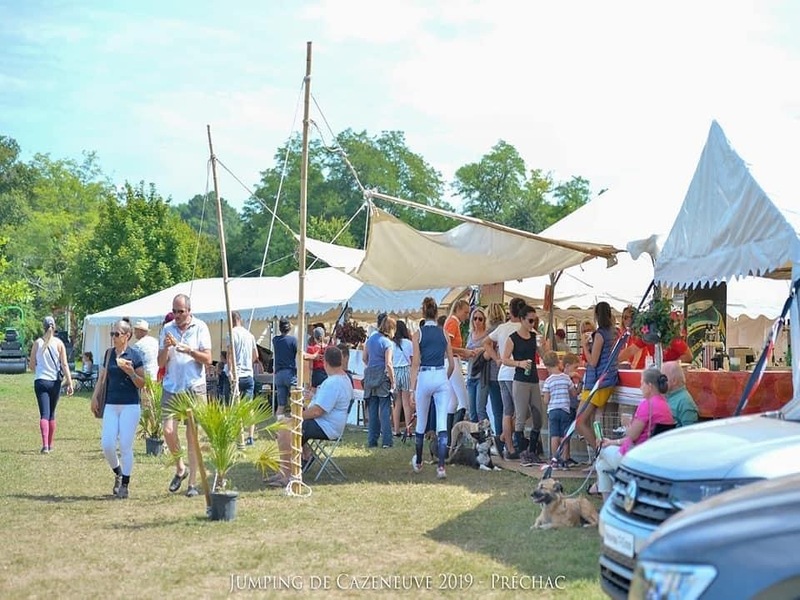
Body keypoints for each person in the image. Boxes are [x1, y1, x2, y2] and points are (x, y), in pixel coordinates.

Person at [266, 346, 353, 487]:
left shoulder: (333, 382)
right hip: (329, 424)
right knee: (288, 424)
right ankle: (299, 461)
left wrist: (295, 416)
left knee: (284, 427)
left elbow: (317, 411)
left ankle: (286, 474)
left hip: (325, 426)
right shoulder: (343, 379)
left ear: (325, 362)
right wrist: (313, 398)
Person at [158, 294, 213, 498]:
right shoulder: (166, 329)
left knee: (192, 436)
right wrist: (166, 347)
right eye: (175, 311)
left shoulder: (201, 327)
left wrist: (189, 350)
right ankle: (181, 468)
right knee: (168, 430)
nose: (178, 315)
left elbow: (208, 359)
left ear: (189, 311)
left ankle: (192, 484)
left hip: (194, 386)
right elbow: (161, 363)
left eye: (181, 311)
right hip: (172, 386)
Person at [592, 368, 675, 501]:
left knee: (600, 449)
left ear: (649, 386)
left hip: (633, 458)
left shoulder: (646, 405)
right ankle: (608, 500)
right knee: (602, 465)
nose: (640, 387)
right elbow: (641, 436)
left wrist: (626, 424)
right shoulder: (665, 405)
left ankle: (606, 498)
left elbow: (633, 435)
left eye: (642, 383)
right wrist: (613, 442)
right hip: (652, 456)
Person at [91, 319, 145, 499]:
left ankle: (125, 484)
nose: (113, 337)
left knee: (125, 446)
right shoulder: (108, 354)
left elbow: (142, 383)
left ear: (127, 336)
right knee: (107, 444)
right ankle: (118, 472)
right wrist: (95, 396)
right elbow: (102, 377)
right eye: (112, 334)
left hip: (130, 404)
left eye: (117, 334)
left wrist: (130, 372)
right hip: (111, 404)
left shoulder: (135, 355)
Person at [410, 297, 455, 479]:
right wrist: (445, 378)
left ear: (423, 312)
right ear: (437, 314)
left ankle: (419, 461)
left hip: (425, 375)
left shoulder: (417, 334)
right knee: (442, 423)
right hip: (440, 374)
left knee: (421, 421)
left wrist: (412, 389)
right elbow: (451, 363)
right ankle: (441, 467)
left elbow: (415, 363)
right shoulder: (444, 333)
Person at [501, 304, 544, 465]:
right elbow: (504, 359)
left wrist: (543, 347)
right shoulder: (513, 338)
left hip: (533, 379)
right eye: (530, 320)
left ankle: (532, 451)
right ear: (522, 320)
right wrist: (519, 363)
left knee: (538, 415)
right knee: (520, 417)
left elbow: (544, 357)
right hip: (520, 380)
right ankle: (522, 453)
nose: (533, 324)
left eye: (535, 321)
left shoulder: (535, 337)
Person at [484, 297, 526, 458]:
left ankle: (507, 444)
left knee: (507, 412)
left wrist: (497, 359)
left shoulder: (502, 328)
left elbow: (486, 342)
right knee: (523, 411)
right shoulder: (524, 328)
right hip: (517, 373)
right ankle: (507, 438)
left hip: (503, 373)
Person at [576, 302, 619, 450]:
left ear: (596, 315)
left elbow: (593, 362)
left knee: (580, 420)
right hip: (608, 379)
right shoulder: (613, 332)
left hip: (597, 382)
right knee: (597, 420)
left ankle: (600, 453)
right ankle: (599, 455)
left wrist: (583, 345)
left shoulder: (600, 335)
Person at [29, 316, 74, 453]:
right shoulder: (59, 343)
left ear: (43, 327)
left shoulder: (37, 343)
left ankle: (45, 446)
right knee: (52, 414)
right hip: (55, 382)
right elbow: (64, 364)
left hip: (41, 381)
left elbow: (31, 366)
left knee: (44, 413)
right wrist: (70, 382)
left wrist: (39, 368)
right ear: (54, 327)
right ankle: (50, 444)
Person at [363, 316, 396, 448]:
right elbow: (388, 363)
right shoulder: (387, 343)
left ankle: (372, 440)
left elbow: (364, 358)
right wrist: (393, 381)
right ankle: (387, 441)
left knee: (372, 410)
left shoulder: (371, 339)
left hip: (370, 375)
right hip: (382, 376)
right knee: (384, 409)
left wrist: (371, 367)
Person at [228, 310, 259, 444]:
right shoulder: (250, 335)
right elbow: (256, 355)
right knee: (249, 407)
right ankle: (250, 437)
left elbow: (230, 354)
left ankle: (238, 435)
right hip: (248, 374)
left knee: (236, 405)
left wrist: (230, 370)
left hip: (237, 375)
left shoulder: (231, 334)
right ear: (240, 319)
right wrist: (249, 364)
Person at [443, 299, 473, 429]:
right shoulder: (453, 323)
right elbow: (446, 346)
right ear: (458, 310)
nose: (467, 316)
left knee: (453, 401)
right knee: (463, 401)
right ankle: (456, 431)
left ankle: (448, 434)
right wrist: (463, 351)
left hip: (452, 360)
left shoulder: (452, 322)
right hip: (452, 360)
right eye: (465, 313)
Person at [541, 351, 573, 469]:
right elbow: (574, 393)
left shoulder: (548, 381)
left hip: (553, 410)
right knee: (565, 436)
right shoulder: (566, 378)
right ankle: (565, 460)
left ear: (547, 366)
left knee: (554, 436)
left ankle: (555, 460)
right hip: (565, 410)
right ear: (558, 362)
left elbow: (546, 400)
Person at [465, 306, 489, 423]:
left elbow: (490, 349)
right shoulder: (470, 334)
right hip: (470, 374)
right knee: (472, 412)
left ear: (484, 320)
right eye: (475, 318)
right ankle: (476, 439)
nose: (477, 321)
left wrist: (481, 349)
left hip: (482, 375)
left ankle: (486, 436)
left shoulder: (487, 335)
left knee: (481, 410)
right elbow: (465, 351)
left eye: (480, 319)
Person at [391, 320, 414, 438]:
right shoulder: (408, 343)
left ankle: (396, 429)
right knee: (406, 403)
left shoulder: (392, 343)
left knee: (397, 403)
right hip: (405, 370)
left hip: (395, 371)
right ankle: (408, 429)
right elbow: (412, 359)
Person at [272, 318, 298, 414]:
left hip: (279, 374)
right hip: (290, 373)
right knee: (295, 401)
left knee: (281, 405)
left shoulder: (275, 340)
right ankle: (296, 424)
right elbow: (299, 353)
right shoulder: (293, 341)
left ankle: (278, 427)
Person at [662, 360, 699, 427]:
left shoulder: (685, 403)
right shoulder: (667, 396)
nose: (661, 381)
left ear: (674, 381)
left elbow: (689, 433)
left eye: (663, 378)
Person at [304, 326, 328, 394]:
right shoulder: (328, 348)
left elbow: (310, 366)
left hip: (316, 374)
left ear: (314, 337)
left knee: (314, 396)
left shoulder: (311, 349)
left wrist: (308, 382)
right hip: (327, 373)